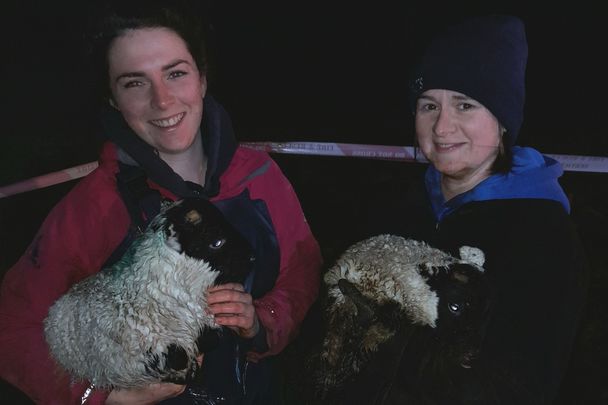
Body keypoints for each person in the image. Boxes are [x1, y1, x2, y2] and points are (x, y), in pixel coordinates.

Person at [0, 0, 322, 404]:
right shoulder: (92, 206)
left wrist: (262, 322)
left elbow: (303, 270)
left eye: (176, 73)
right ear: (114, 99)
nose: (164, 101)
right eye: (135, 82)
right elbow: (11, 329)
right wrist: (103, 396)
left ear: (202, 79)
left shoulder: (259, 176)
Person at [365, 14, 588, 404]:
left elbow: (523, 384)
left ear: (502, 123)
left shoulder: (543, 236)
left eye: (465, 105)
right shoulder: (401, 211)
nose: (442, 128)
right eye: (429, 105)